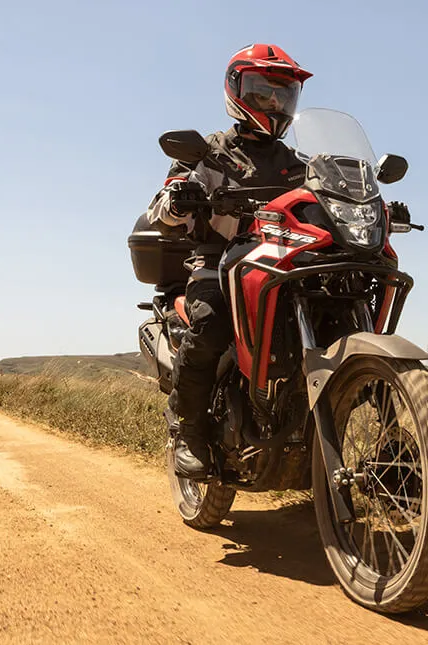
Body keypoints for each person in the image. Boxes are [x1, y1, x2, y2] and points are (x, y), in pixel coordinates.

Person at [145, 44, 311, 479]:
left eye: (283, 94)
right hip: (219, 262)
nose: (273, 102)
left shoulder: (301, 164)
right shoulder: (208, 153)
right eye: (262, 91)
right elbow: (160, 209)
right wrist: (178, 200)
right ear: (237, 90)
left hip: (286, 266)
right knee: (212, 322)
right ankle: (187, 429)